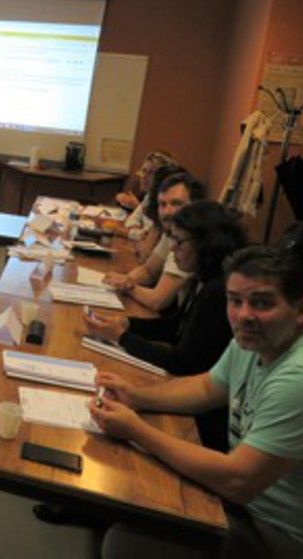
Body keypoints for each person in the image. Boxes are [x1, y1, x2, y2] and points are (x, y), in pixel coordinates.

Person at [92, 246, 303, 558]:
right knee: (131, 487)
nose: (244, 315)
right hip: (246, 505)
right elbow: (206, 388)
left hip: (278, 535)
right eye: (235, 301)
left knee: (126, 544)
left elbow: (238, 481)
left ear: (302, 310)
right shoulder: (254, 340)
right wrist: (137, 396)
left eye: (262, 303)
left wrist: (137, 431)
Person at [85, 201, 247, 451]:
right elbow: (175, 327)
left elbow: (182, 360)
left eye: (179, 242)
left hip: (201, 419)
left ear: (205, 244)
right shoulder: (203, 278)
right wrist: (126, 323)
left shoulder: (217, 291)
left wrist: (123, 337)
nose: (172, 248)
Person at [105, 171, 205, 312]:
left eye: (176, 203)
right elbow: (149, 271)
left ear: (195, 205)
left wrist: (126, 286)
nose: (167, 211)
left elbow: (158, 300)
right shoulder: (171, 232)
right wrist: (126, 279)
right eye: (162, 204)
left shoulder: (190, 242)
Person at [118, 151, 177, 243]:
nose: (144, 176)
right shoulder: (149, 196)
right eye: (144, 171)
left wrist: (127, 232)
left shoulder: (166, 203)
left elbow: (150, 238)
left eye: (151, 173)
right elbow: (131, 221)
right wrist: (137, 232)